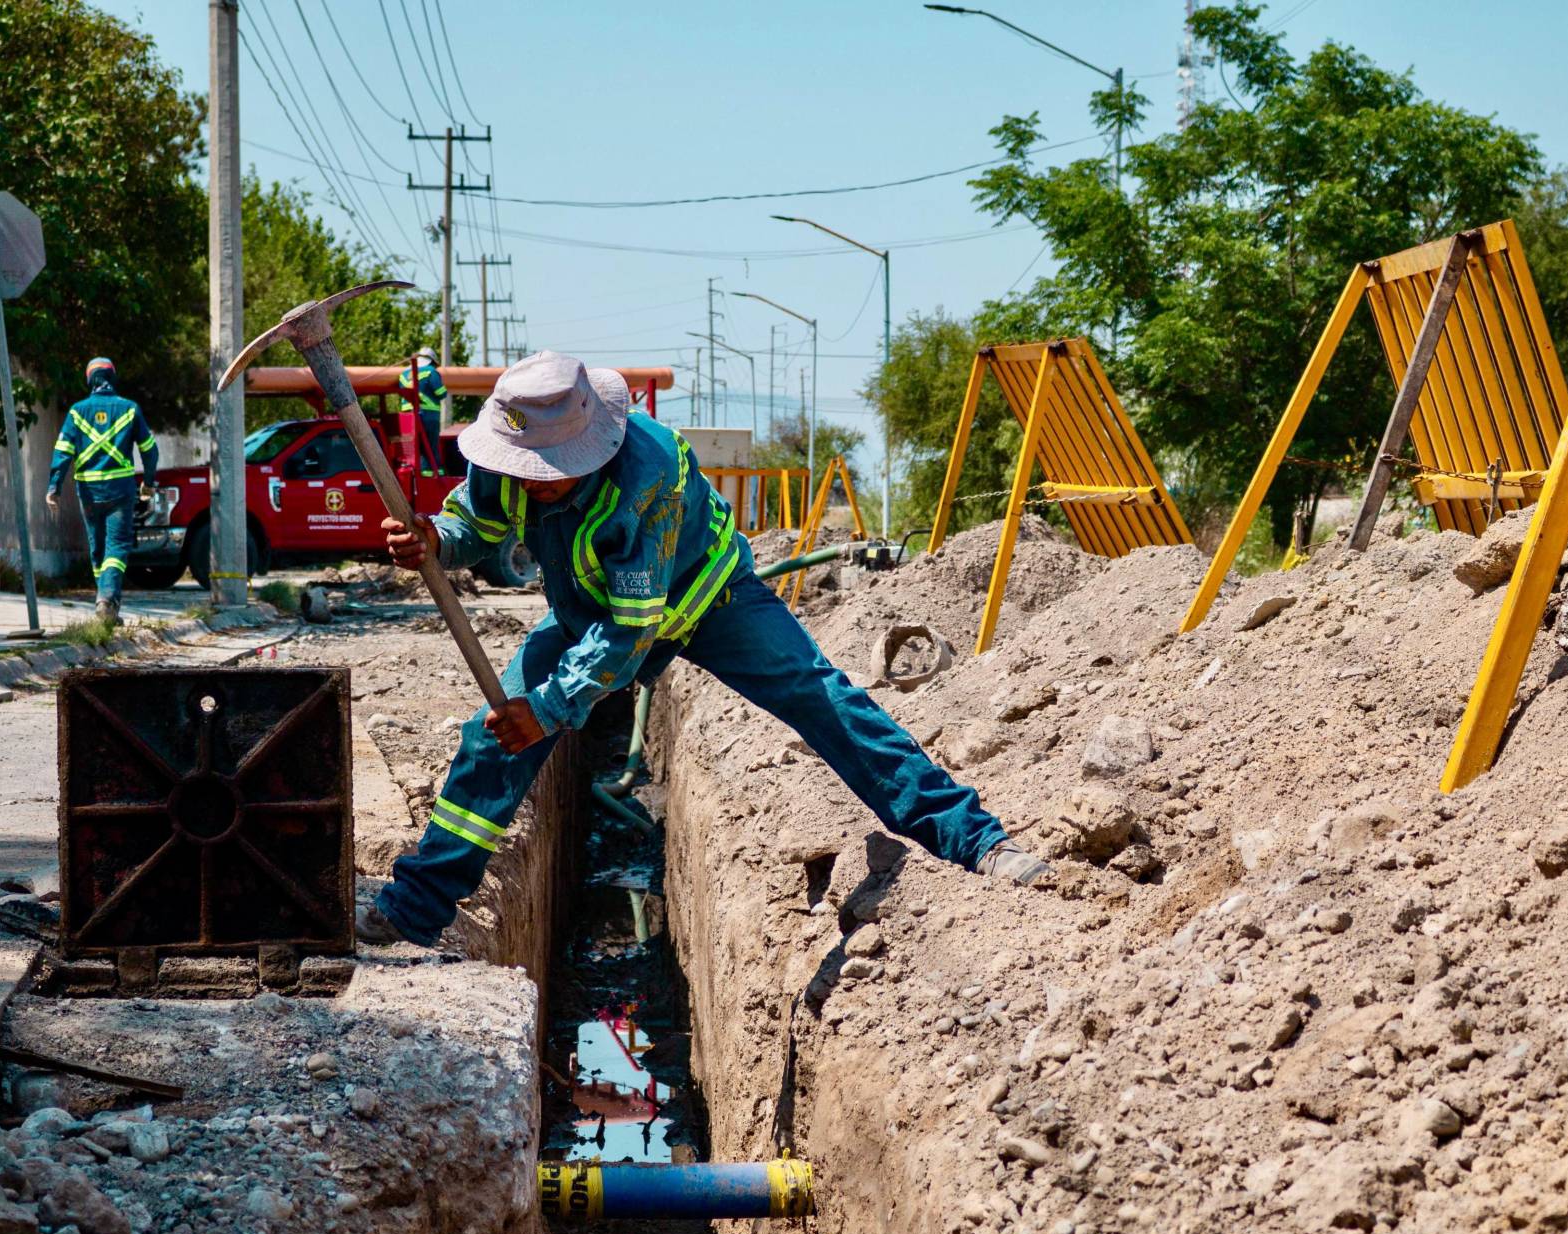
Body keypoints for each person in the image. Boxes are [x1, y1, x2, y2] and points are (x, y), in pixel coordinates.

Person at [356, 351, 1050, 948]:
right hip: (589, 610)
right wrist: (434, 541)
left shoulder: (646, 473)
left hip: (710, 600)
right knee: (491, 738)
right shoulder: (507, 456)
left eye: (552, 473)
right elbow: (473, 525)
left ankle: (975, 839)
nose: (534, 484)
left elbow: (632, 629)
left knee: (823, 700)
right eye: (526, 470)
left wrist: (550, 706)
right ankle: (416, 908)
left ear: (588, 446)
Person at [47, 356, 157, 623]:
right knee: (116, 547)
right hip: (120, 491)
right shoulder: (130, 409)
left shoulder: (76, 411)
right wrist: (149, 483)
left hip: (88, 491)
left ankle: (105, 606)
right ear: (112, 378)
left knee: (98, 548)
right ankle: (107, 599)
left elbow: (63, 452)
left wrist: (54, 487)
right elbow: (150, 450)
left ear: (89, 379)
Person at [397, 346, 448, 457]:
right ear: (432, 361)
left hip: (406, 417)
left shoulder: (403, 374)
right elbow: (441, 393)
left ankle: (420, 471)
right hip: (428, 416)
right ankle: (430, 472)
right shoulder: (431, 372)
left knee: (412, 450)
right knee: (430, 448)